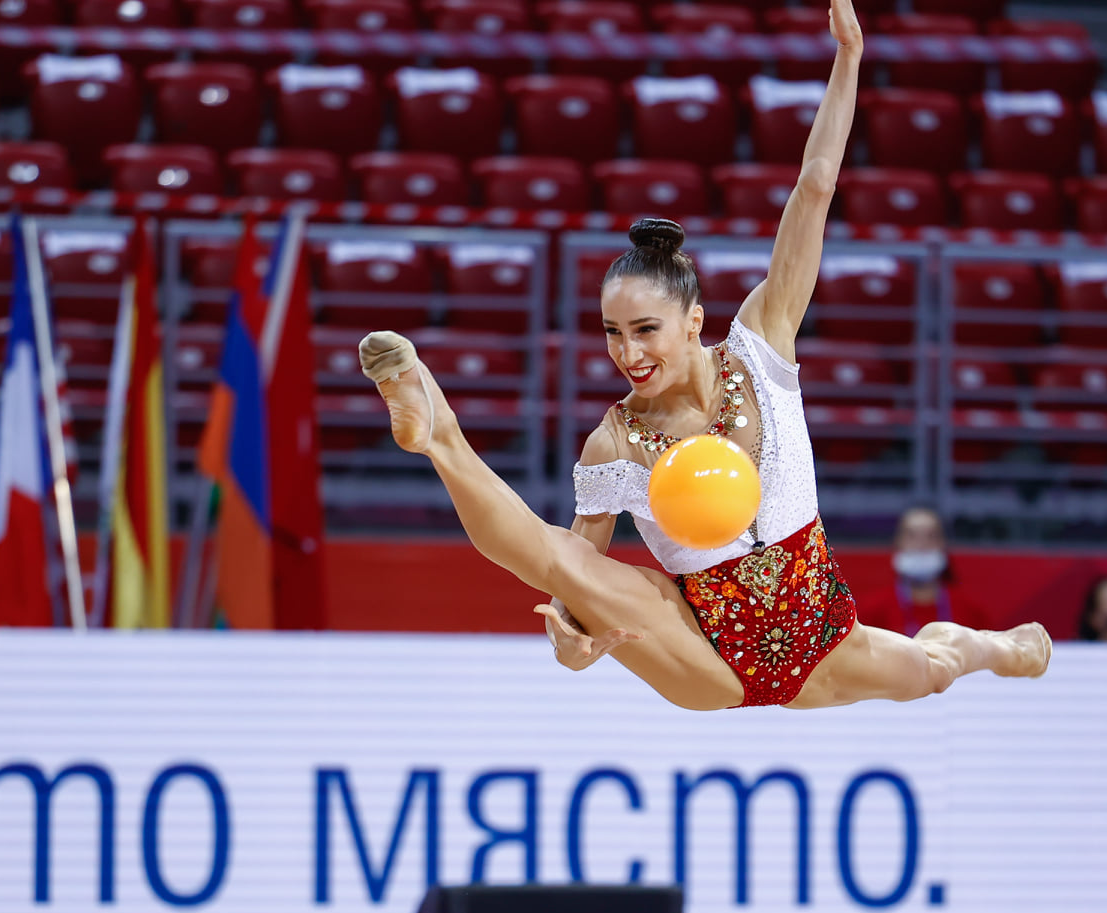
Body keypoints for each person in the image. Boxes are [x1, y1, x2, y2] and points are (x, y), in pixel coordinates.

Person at [356, 0, 1050, 713]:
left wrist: (848, 60)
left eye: (645, 329)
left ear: (694, 320)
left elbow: (814, 189)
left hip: (824, 640)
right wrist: (570, 638)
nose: (627, 352)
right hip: (706, 655)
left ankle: (992, 648)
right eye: (611, 332)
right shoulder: (614, 442)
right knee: (557, 557)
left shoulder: (762, 345)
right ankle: (437, 434)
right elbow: (575, 578)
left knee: (933, 670)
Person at [856, 505, 990, 638]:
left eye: (931, 536)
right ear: (898, 542)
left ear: (943, 543)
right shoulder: (870, 613)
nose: (921, 544)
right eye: (911, 536)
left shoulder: (971, 613)